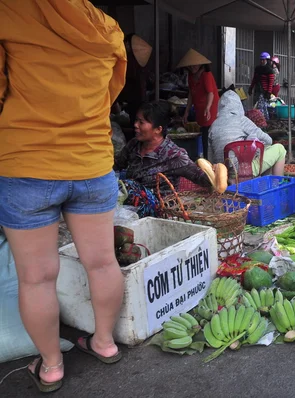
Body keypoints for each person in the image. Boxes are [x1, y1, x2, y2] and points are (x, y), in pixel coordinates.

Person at [0, 1, 127, 392]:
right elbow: (112, 89)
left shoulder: (10, 12)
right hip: (91, 162)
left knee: (36, 279)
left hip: (26, 163)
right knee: (103, 263)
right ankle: (104, 343)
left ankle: (52, 366)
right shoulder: (105, 26)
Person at [114, 102, 212, 191]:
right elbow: (115, 164)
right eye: (136, 120)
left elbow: (203, 179)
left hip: (161, 208)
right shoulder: (134, 145)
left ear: (158, 129)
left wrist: (219, 172)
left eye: (141, 122)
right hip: (130, 206)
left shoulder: (175, 155)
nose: (135, 125)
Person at [209, 90, 286, 176]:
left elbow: (210, 157)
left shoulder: (213, 126)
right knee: (280, 149)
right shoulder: (241, 120)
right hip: (243, 170)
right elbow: (268, 140)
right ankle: (277, 185)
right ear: (239, 105)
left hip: (222, 173)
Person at [178, 49, 220, 160]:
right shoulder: (191, 77)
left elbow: (210, 93)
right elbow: (191, 93)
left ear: (201, 64)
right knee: (203, 133)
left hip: (210, 109)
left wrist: (207, 107)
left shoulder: (206, 75)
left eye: (195, 65)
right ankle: (205, 158)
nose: (193, 67)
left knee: (208, 134)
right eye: (191, 65)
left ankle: (208, 159)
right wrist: (186, 111)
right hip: (200, 109)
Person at [118, 34, 152, 141]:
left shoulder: (132, 61)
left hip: (136, 96)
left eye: (127, 43)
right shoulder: (135, 60)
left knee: (136, 121)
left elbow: (129, 77)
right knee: (137, 120)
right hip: (137, 95)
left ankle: (137, 142)